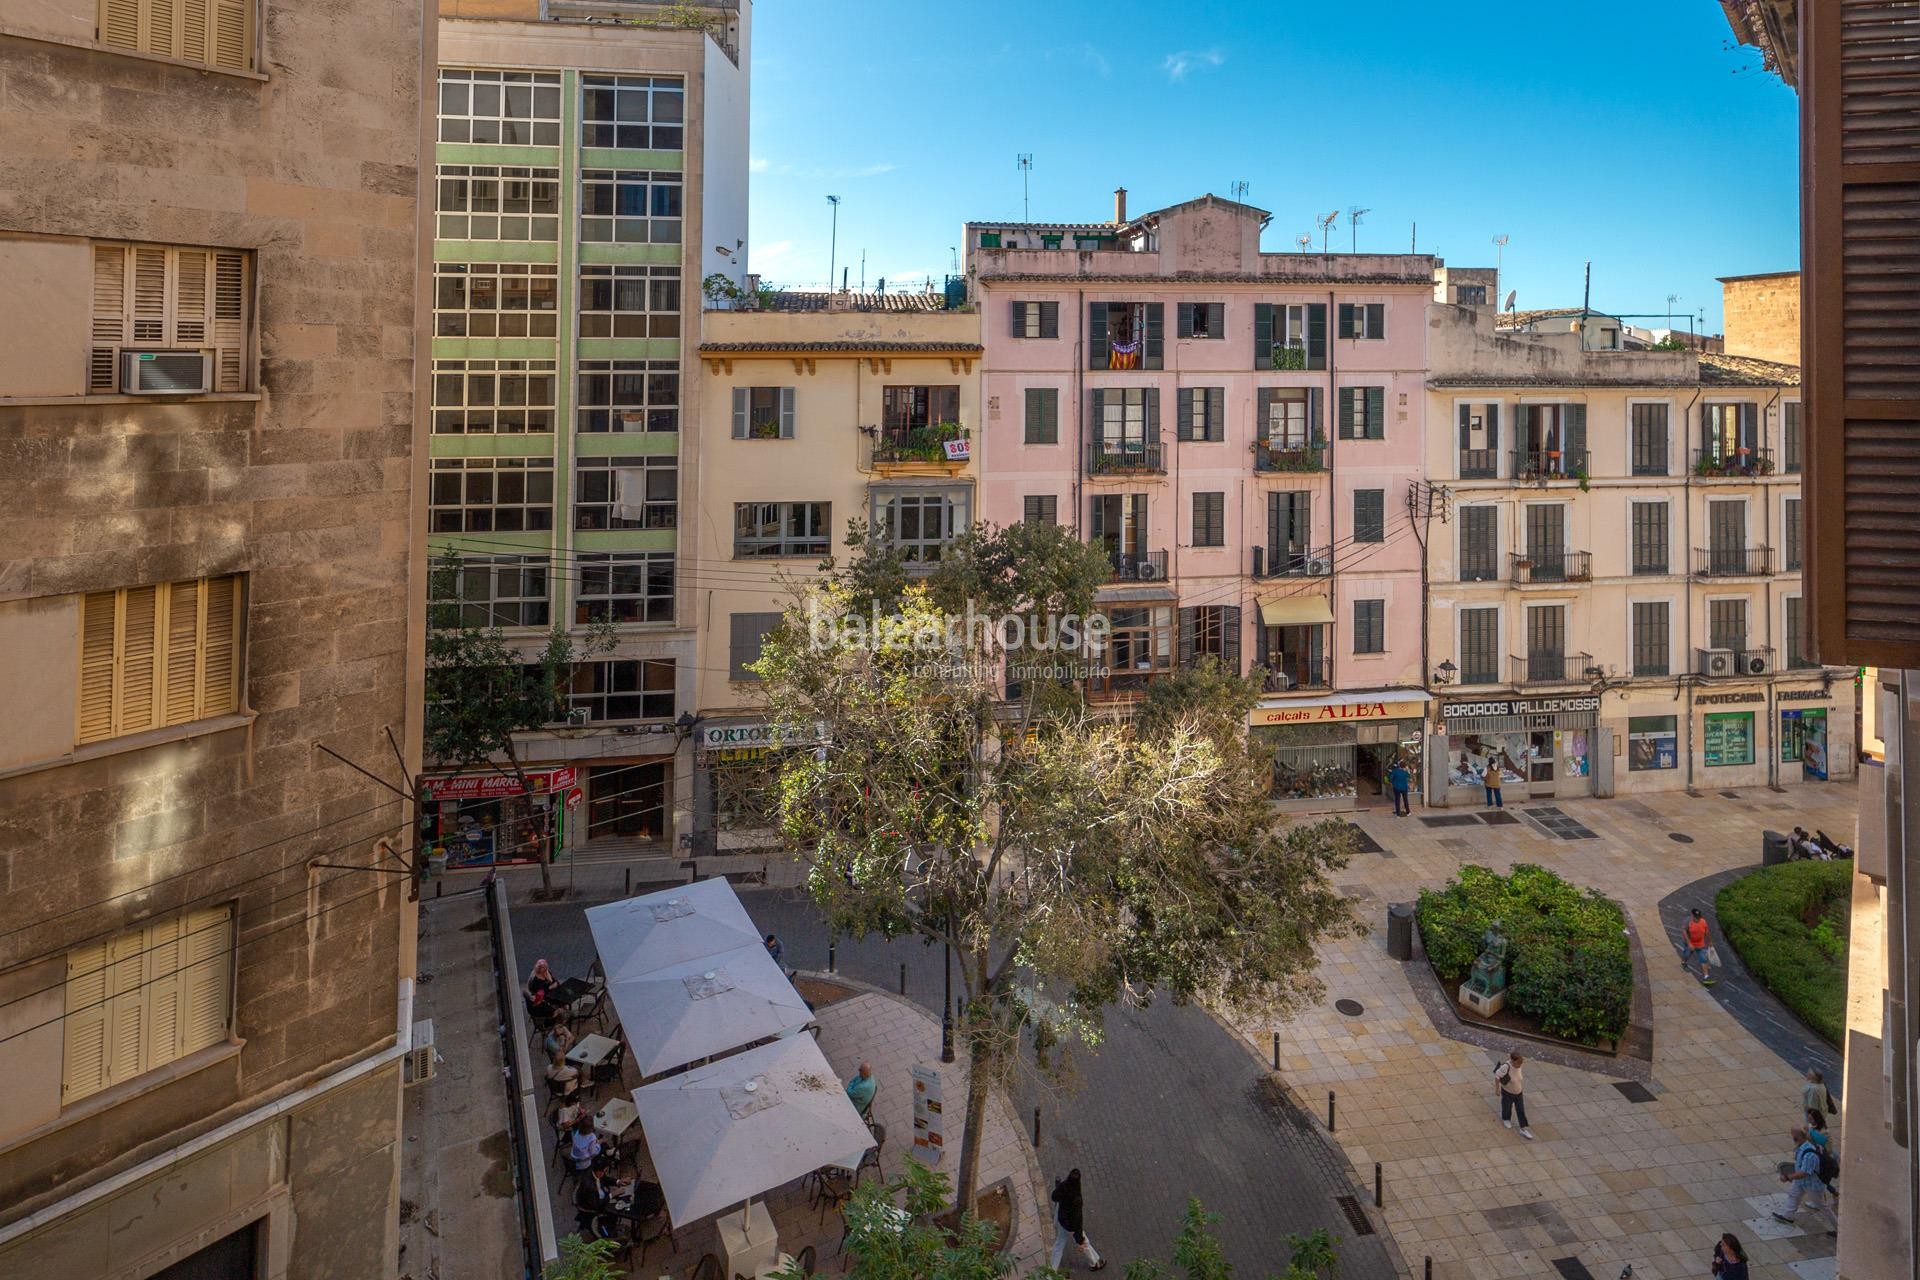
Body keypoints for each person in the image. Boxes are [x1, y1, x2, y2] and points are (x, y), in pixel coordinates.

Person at [1773, 1125, 1835, 1226]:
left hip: (1812, 1185)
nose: (1793, 1138)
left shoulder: (1809, 1152)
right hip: (1802, 1182)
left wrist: (1789, 1177)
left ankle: (1838, 1229)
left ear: (1799, 1137)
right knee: (1793, 1195)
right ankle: (1787, 1216)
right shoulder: (1802, 1147)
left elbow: (1805, 1172)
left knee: (1822, 1206)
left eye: (1794, 1135)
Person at [1048, 1169, 1107, 1271]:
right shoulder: (1077, 1199)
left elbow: (1054, 1197)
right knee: (1084, 1242)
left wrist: (1058, 1187)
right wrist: (1079, 1237)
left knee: (1059, 1245)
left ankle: (1051, 1272)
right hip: (1071, 1225)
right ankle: (1094, 1263)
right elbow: (1078, 1219)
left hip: (1061, 1220)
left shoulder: (1064, 1186)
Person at [1493, 1051, 1534, 1140]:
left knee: (1521, 1110)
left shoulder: (1519, 1065)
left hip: (1519, 1092)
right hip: (1508, 1092)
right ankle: (1506, 1119)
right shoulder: (1506, 1067)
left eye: (1520, 1063)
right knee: (1507, 1106)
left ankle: (1523, 1129)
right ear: (1512, 1061)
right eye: (1518, 1063)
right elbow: (1497, 1076)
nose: (1519, 1065)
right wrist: (1497, 1089)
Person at [1682, 908, 1714, 985]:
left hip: (1700, 944)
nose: (1698, 918)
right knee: (1687, 955)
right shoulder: (1687, 922)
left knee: (1703, 959)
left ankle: (1706, 977)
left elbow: (1706, 931)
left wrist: (1710, 941)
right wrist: (1689, 943)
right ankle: (1684, 962)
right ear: (1692, 915)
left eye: (1699, 917)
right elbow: (1684, 931)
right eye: (1696, 917)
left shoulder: (1703, 921)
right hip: (1690, 944)